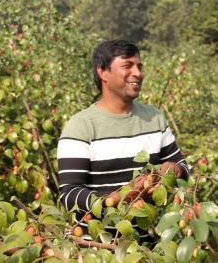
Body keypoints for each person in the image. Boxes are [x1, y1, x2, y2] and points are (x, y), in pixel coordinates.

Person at [56, 40, 189, 221]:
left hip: (153, 245)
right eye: (127, 66)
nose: (138, 73)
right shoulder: (80, 127)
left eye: (139, 67)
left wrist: (175, 169)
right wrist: (112, 200)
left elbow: (182, 167)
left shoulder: (155, 119)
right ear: (102, 72)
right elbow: (69, 194)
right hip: (98, 245)